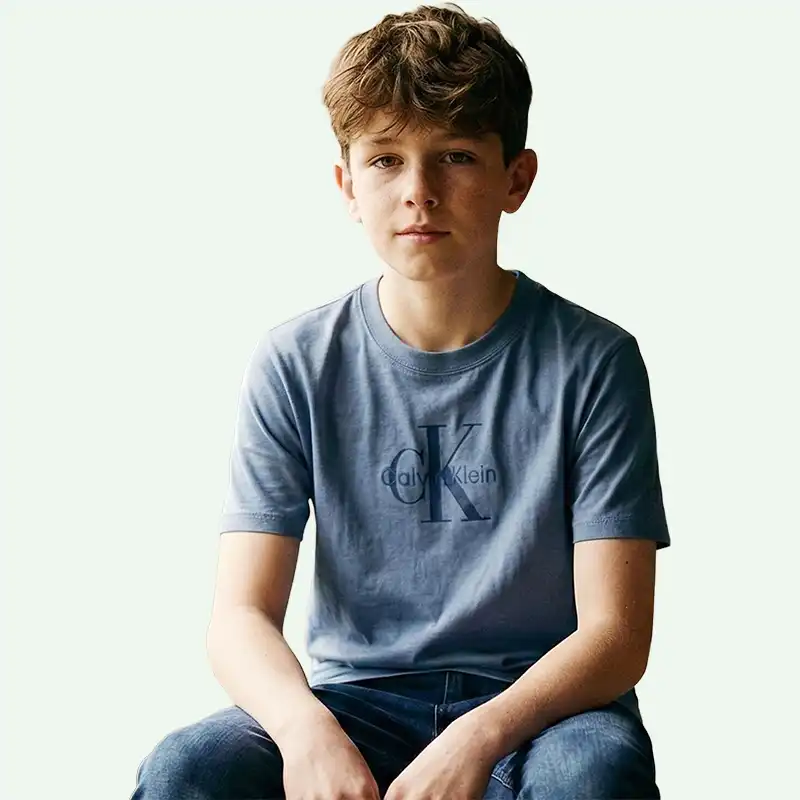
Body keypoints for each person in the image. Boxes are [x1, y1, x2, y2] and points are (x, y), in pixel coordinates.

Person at [130, 4, 670, 799]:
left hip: (539, 711)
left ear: (516, 178)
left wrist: (476, 739)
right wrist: (306, 731)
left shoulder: (595, 362)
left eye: (455, 156)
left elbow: (616, 635)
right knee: (189, 767)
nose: (420, 192)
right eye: (386, 159)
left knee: (592, 772)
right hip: (358, 701)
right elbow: (239, 616)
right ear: (347, 184)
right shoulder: (296, 362)